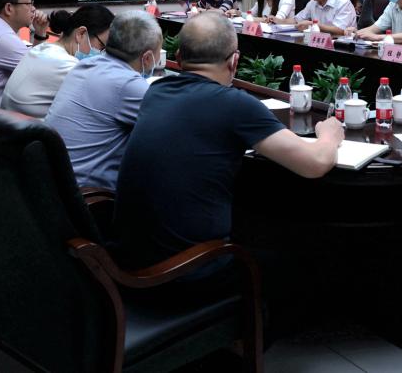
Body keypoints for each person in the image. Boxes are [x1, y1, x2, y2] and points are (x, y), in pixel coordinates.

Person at [113, 13, 342, 270]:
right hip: (186, 269)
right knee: (298, 256)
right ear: (234, 61)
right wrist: (329, 135)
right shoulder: (233, 103)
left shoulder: (157, 91)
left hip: (130, 260)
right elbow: (315, 163)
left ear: (178, 58)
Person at [45, 10, 162, 190]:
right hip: (87, 197)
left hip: (50, 184)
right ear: (147, 58)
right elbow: (172, 131)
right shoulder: (128, 85)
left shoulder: (85, 65)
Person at [1, 4, 114, 119]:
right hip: (30, 129)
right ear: (81, 34)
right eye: (101, 46)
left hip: (12, 125)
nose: (101, 53)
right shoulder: (68, 65)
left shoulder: (42, 49)